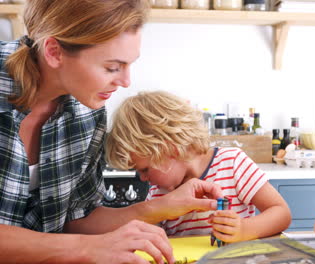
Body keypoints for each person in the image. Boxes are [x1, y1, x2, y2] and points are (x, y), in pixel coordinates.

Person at [0, 1, 223, 263]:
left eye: (129, 65)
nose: (125, 81)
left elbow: (77, 220)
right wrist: (85, 249)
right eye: (112, 67)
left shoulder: (89, 111)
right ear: (54, 52)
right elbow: (78, 242)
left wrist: (160, 207)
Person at [105, 91, 292, 243]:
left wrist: (244, 229)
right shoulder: (158, 194)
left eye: (145, 169)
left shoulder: (232, 163)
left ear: (171, 149)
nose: (143, 178)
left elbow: (281, 213)